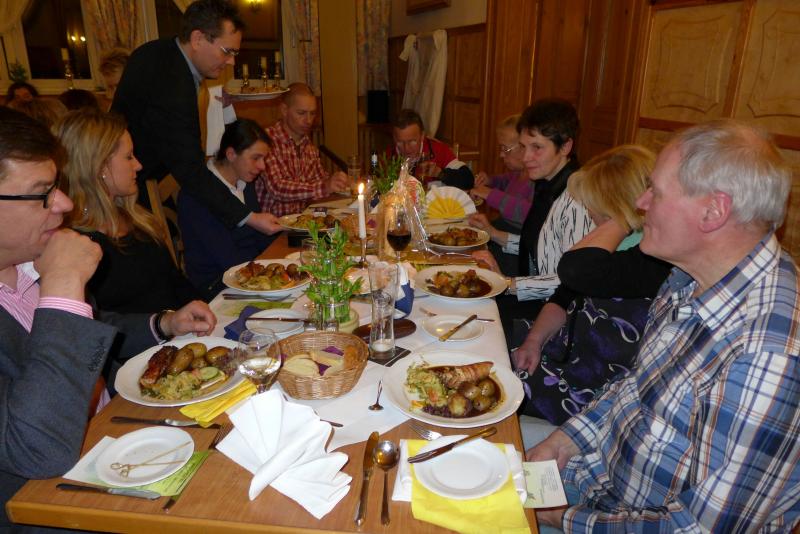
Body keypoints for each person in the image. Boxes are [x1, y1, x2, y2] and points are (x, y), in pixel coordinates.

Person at [527, 120, 800, 531]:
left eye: (655, 191)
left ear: (714, 211)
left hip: (618, 518)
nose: (640, 202)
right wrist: (565, 439)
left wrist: (560, 517)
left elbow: (700, 528)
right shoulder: (687, 277)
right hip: (597, 476)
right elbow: (635, 386)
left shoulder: (769, 356)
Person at [0, 107, 216, 530]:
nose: (64, 203)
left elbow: (90, 328)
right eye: (42, 193)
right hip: (54, 506)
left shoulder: (26, 265)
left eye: (57, 186)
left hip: (119, 441)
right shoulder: (52, 269)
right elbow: (38, 448)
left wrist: (164, 324)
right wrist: (64, 286)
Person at [512, 145, 672, 428]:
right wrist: (534, 341)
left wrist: (621, 218)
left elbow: (575, 270)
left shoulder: (650, 262)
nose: (588, 211)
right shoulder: (611, 246)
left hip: (589, 392)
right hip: (562, 354)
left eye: (593, 204)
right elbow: (563, 296)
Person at [112, 0, 281, 237]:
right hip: (127, 186)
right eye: (227, 51)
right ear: (198, 39)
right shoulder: (172, 83)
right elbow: (189, 167)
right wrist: (249, 217)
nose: (231, 61)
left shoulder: (157, 50)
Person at [471, 99, 592, 342]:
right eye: (523, 147)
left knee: (477, 327)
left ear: (565, 146)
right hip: (535, 298)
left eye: (537, 148)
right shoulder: (548, 183)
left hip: (557, 317)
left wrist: (507, 284)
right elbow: (544, 247)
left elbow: (571, 282)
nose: (526, 157)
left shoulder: (577, 198)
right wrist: (494, 234)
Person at [57, 109, 200, 313]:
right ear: (100, 167)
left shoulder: (136, 219)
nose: (139, 165)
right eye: (129, 157)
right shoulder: (77, 244)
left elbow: (175, 282)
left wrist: (205, 310)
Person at [179, 119, 275, 296]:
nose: (262, 166)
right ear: (231, 154)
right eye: (256, 158)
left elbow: (259, 237)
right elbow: (226, 258)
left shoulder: (244, 181)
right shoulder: (198, 196)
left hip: (248, 270)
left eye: (264, 158)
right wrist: (269, 270)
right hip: (217, 285)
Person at [254, 82, 349, 217]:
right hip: (273, 225)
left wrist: (341, 183)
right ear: (284, 110)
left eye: (312, 113)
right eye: (301, 113)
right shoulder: (266, 140)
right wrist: (325, 187)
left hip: (299, 221)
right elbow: (277, 188)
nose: (308, 120)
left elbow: (320, 179)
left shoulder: (308, 146)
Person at [470, 113, 533, 275]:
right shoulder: (520, 172)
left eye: (506, 149)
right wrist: (491, 181)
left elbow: (527, 212)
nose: (501, 154)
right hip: (502, 232)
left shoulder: (537, 179)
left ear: (524, 147)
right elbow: (507, 181)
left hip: (516, 247)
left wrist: (491, 194)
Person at [387, 108, 474, 189]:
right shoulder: (388, 156)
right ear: (394, 138)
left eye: (412, 141)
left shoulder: (438, 150)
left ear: (422, 136)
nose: (406, 148)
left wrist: (440, 173)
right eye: (400, 142)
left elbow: (468, 180)